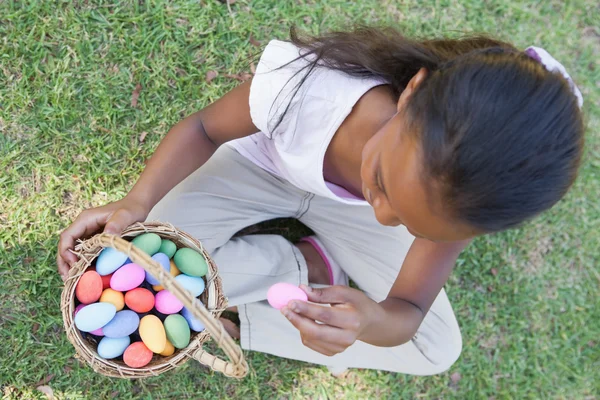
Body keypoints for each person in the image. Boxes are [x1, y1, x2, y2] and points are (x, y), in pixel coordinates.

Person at [57, 26, 584, 375]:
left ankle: (250, 310)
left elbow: (409, 310)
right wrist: (137, 201)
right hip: (259, 169)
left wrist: (372, 324)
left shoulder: (458, 200)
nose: (382, 214)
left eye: (410, 223)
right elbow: (203, 128)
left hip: (357, 211)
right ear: (412, 92)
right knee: (138, 261)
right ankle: (294, 265)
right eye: (380, 181)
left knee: (436, 349)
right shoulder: (312, 87)